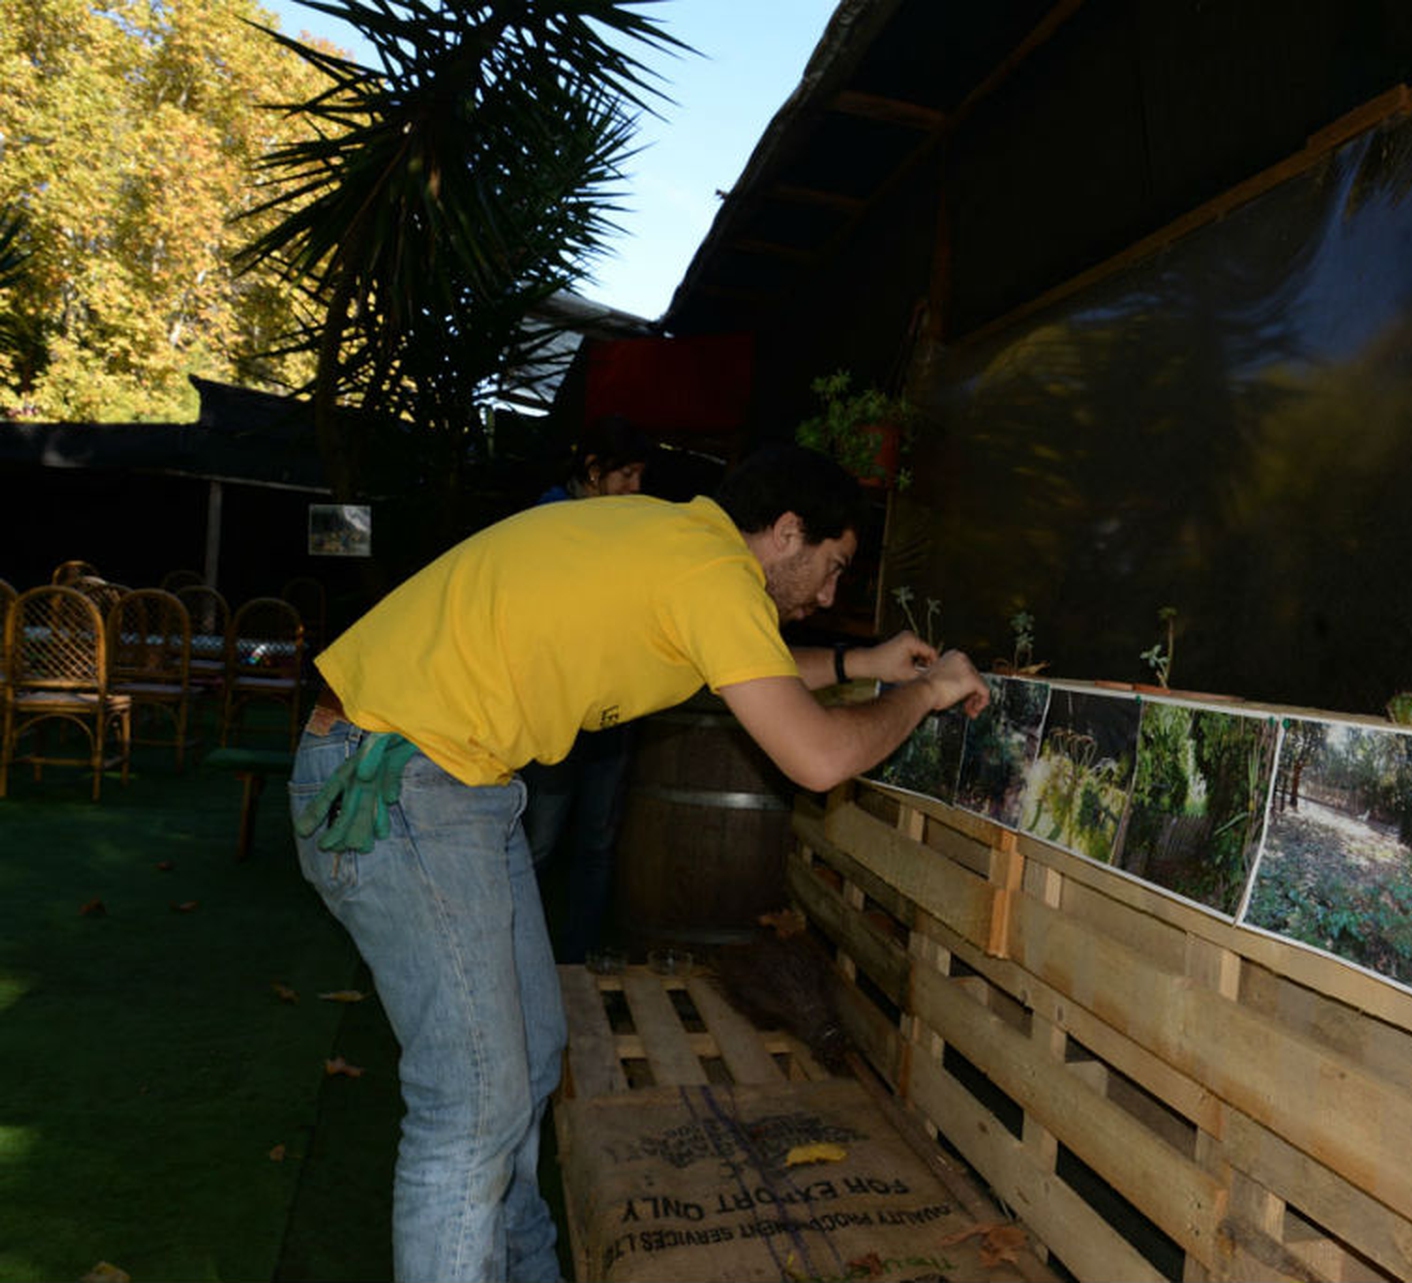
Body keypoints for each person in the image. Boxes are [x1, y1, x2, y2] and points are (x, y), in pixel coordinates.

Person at [285, 442, 987, 1283]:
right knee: (472, 1103)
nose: (831, 597)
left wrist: (860, 664)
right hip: (397, 779)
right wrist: (925, 693)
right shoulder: (711, 573)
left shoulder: (682, 549)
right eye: (833, 567)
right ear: (787, 531)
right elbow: (819, 756)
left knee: (531, 1051)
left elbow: (747, 669)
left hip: (453, 780)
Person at [519, 414, 657, 965]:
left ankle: (578, 962)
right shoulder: (547, 520)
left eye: (640, 476)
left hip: (613, 710)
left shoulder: (629, 527)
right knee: (538, 842)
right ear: (594, 470)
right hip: (557, 711)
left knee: (597, 843)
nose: (636, 488)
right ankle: (516, 958)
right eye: (626, 475)